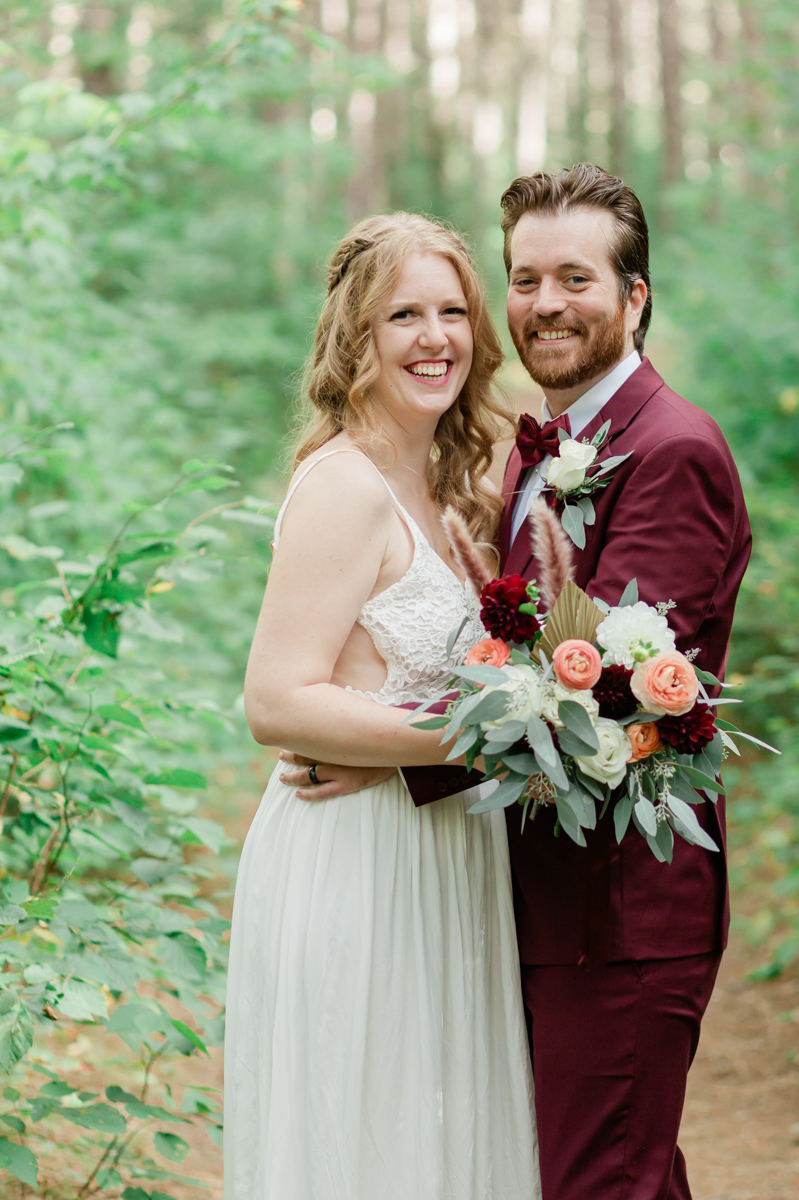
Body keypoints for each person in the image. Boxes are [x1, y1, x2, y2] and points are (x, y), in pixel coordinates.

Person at [283, 165, 752, 1200]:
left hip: (618, 913)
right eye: (526, 279)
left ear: (635, 298)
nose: (546, 305)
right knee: (614, 1176)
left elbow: (607, 702)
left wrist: (398, 755)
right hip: (532, 901)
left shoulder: (670, 451)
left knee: (601, 1181)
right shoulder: (535, 451)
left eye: (576, 279)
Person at [223, 212, 541, 1200]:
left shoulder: (458, 484)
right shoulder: (343, 487)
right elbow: (276, 700)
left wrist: (435, 758)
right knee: (365, 1137)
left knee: (440, 1130)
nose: (434, 337)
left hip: (441, 848)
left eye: (452, 311)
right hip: (356, 864)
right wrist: (466, 744)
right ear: (355, 336)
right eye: (404, 314)